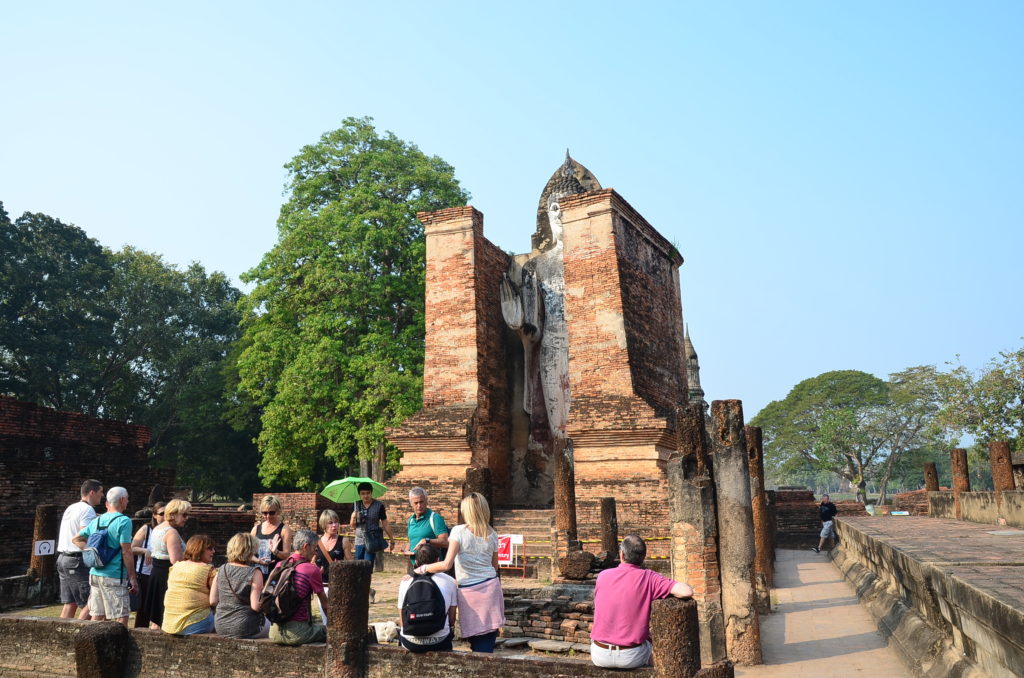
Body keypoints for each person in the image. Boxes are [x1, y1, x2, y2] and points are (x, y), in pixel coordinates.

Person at [415, 492, 505, 653]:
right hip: (491, 588)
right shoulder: (492, 533)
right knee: (487, 641)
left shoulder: (459, 531)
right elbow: (495, 566)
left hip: (470, 591)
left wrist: (422, 569)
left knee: (477, 642)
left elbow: (446, 564)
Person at [590, 534, 694, 669]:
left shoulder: (603, 576)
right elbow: (686, 591)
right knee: (657, 649)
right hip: (631, 656)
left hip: (599, 654)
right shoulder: (650, 578)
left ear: (622, 555)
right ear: (643, 558)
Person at [71, 486, 138, 626]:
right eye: (127, 499)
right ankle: (119, 646)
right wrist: (132, 577)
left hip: (95, 573)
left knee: (97, 615)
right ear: (122, 500)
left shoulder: (97, 520)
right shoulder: (124, 521)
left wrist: (90, 551)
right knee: (121, 616)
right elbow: (126, 551)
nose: (128, 502)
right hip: (114, 575)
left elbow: (76, 539)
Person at [268, 529, 328, 646]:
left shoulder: (280, 565)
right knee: (329, 632)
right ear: (306, 546)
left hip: (274, 631)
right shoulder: (311, 569)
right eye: (315, 548)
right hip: (297, 632)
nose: (316, 553)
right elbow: (325, 605)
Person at [397, 543, 457, 653]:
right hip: (439, 641)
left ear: (416, 562)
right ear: (438, 560)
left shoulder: (405, 581)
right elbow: (452, 620)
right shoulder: (450, 581)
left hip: (411, 642)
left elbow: (402, 619)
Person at [140, 498, 190, 629]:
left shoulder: (157, 528)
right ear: (173, 514)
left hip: (156, 573)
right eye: (184, 515)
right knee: (162, 616)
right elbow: (176, 561)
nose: (187, 518)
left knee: (156, 617)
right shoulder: (171, 532)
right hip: (165, 575)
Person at [57, 479, 103, 619]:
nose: (102, 495)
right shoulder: (87, 509)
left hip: (63, 558)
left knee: (70, 603)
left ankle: (60, 636)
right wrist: (94, 556)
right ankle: (78, 637)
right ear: (92, 492)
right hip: (77, 560)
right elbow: (83, 536)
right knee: (91, 602)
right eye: (101, 492)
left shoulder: (72, 507)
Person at [211, 533, 270, 639]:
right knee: (274, 626)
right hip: (244, 627)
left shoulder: (221, 569)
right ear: (251, 551)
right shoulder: (255, 572)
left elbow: (213, 601)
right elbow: (255, 606)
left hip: (220, 626)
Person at [162, 534, 216, 635]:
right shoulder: (209, 570)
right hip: (192, 624)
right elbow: (215, 600)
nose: (213, 551)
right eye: (210, 548)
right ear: (199, 549)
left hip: (168, 624)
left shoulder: (176, 566)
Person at [349, 482, 394, 602]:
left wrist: (392, 539)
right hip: (359, 540)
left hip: (372, 540)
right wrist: (353, 517)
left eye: (368, 493)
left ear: (371, 493)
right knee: (358, 567)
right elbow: (353, 526)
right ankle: (368, 591)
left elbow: (385, 523)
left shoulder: (378, 506)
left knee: (367, 567)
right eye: (363, 494)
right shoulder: (356, 505)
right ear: (359, 494)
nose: (366, 496)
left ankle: (363, 594)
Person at [130, 500, 165, 626]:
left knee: (159, 607)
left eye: (167, 513)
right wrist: (145, 551)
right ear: (154, 515)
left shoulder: (170, 531)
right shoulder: (147, 529)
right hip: (145, 573)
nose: (165, 517)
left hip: (160, 574)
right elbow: (132, 548)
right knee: (144, 608)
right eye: (161, 514)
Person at [406, 487, 449, 570]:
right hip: (414, 565)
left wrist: (427, 541)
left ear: (426, 501)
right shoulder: (411, 520)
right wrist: (406, 550)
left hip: (432, 566)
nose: (419, 505)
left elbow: (445, 542)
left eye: (421, 502)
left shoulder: (435, 518)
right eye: (416, 503)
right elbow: (410, 540)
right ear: (411, 503)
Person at [251, 495, 292, 577]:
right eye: (265, 513)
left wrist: (276, 551)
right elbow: (248, 553)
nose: (268, 516)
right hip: (257, 574)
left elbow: (287, 555)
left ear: (278, 511)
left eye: (271, 513)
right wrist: (259, 561)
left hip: (275, 575)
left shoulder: (284, 529)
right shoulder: (256, 529)